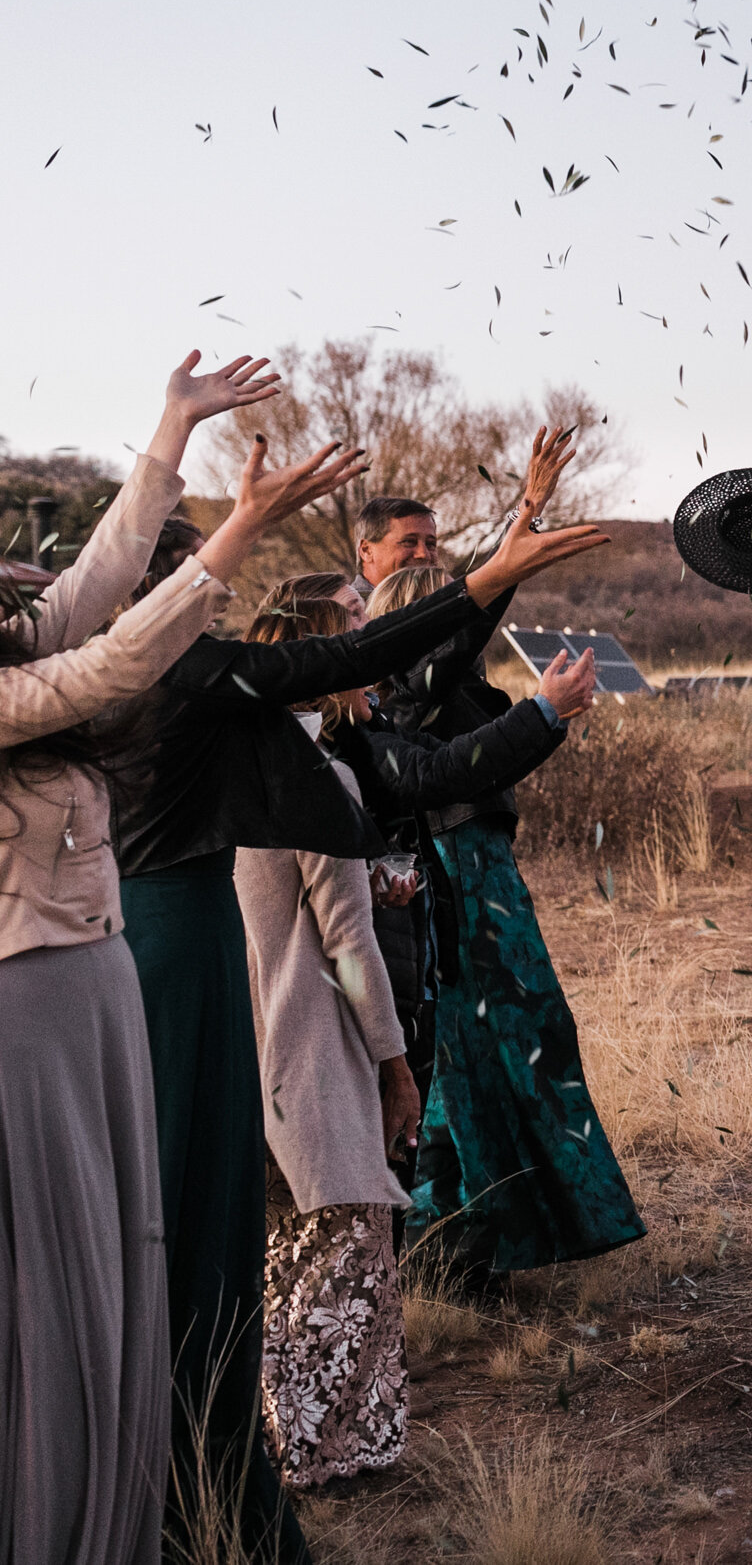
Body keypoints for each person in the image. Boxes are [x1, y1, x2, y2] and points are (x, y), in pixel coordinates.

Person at [109, 428, 605, 1562]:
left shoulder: (169, 702)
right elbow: (348, 926)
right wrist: (488, 582)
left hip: (178, 990)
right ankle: (267, 1451)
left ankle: (235, 1445)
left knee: (223, 1233)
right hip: (239, 1003)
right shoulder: (240, 721)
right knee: (267, 1231)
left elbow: (397, 687)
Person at [0, 351, 358, 1565]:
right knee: (53, 1275)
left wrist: (171, 430)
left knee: (108, 1263)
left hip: (88, 988)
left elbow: (89, 590)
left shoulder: (8, 634)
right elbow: (102, 662)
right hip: (23, 1008)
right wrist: (230, 543)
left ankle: (119, 1504)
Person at [371, 562, 643, 1293]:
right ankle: (449, 1248)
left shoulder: (450, 691)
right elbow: (459, 757)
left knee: (500, 1056)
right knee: (474, 1063)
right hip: (458, 883)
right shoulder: (404, 694)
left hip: (486, 875)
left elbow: (498, 756)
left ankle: (464, 1243)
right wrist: (512, 558)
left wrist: (548, 712)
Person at [235, 590, 420, 1491]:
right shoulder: (319, 779)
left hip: (235, 1054)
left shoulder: (215, 769)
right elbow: (348, 945)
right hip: (308, 1054)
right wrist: (392, 1061)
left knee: (274, 1267)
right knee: (345, 1260)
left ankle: (270, 1447)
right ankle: (318, 1452)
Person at [348, 496, 441, 599]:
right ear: (367, 550)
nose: (424, 554)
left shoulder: (442, 605)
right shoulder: (345, 612)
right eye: (409, 542)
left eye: (430, 544)